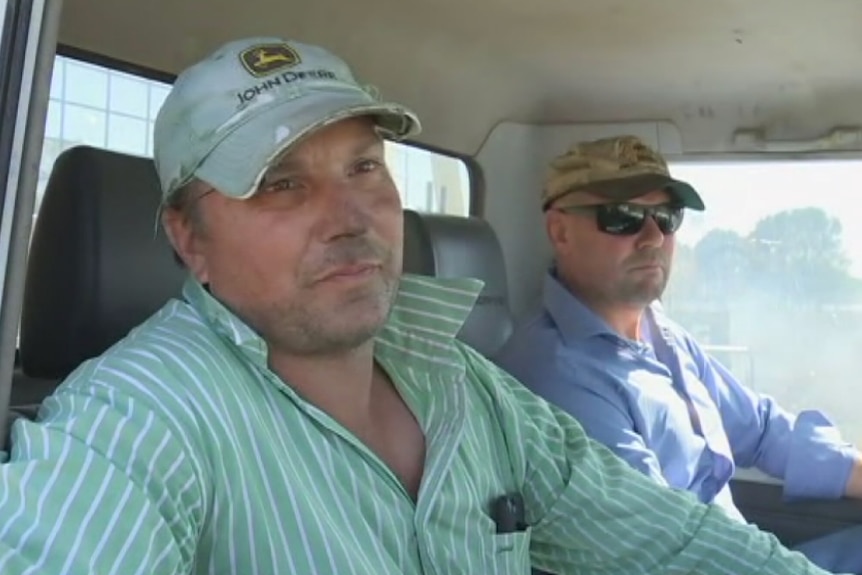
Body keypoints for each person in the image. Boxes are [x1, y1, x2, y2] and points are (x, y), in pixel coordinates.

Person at [0, 38, 841, 575]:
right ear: (189, 239)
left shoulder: (467, 385)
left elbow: (670, 542)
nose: (349, 214)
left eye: (364, 168)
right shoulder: (136, 420)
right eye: (281, 184)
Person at [495, 134, 862, 574]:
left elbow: (760, 429)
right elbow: (667, 543)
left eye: (667, 216)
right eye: (623, 216)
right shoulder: (552, 375)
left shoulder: (662, 332)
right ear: (560, 231)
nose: (654, 236)